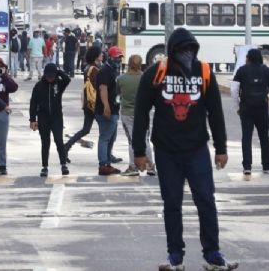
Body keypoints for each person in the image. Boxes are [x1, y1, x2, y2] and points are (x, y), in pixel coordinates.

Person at [131, 28, 236, 271]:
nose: (187, 54)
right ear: (172, 51)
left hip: (197, 148)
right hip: (166, 150)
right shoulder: (156, 73)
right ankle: (175, 256)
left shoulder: (204, 72)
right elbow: (140, 113)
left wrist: (221, 148)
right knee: (172, 203)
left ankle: (213, 254)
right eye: (182, 50)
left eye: (191, 49)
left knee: (206, 201)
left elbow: (216, 113)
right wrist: (139, 151)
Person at [230, 48, 269, 175]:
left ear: (249, 58)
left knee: (246, 137)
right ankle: (267, 164)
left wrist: (237, 107)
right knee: (264, 136)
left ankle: (247, 166)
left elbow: (234, 90)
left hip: (246, 108)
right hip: (262, 108)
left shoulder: (242, 70)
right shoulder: (267, 71)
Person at [29, 63, 71, 177]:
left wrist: (58, 71)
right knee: (45, 142)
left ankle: (63, 164)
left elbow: (67, 79)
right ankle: (45, 166)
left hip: (57, 117)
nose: (50, 79)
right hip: (43, 118)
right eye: (48, 76)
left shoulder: (59, 84)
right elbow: (33, 103)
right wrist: (32, 119)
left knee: (58, 140)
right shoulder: (39, 86)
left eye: (52, 76)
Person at [118, 54, 154, 177]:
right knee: (145, 140)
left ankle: (133, 166)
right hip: (143, 113)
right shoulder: (146, 77)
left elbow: (117, 94)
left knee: (131, 141)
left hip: (127, 113)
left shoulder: (121, 79)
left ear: (128, 63)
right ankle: (150, 166)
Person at [64, 45, 101, 156]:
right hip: (94, 103)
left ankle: (67, 145)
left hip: (88, 102)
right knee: (105, 130)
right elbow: (97, 87)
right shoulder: (94, 69)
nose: (102, 55)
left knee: (86, 129)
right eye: (100, 54)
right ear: (96, 56)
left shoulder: (88, 68)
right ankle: (108, 154)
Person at [94, 46, 123, 176]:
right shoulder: (105, 71)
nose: (118, 60)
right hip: (106, 110)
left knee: (111, 137)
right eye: (116, 57)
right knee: (105, 137)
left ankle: (107, 163)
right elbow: (103, 89)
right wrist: (106, 106)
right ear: (110, 57)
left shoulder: (113, 70)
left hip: (113, 109)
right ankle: (103, 164)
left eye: (120, 57)